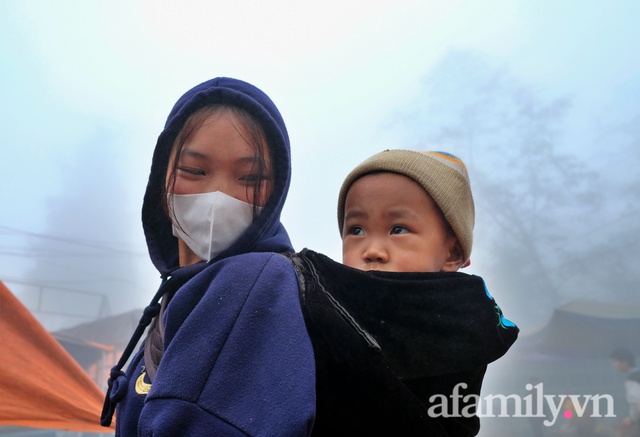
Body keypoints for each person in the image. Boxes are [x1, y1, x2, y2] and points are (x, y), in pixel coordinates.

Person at [100, 77, 316, 436]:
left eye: (250, 177)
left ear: (276, 192)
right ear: (162, 178)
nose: (218, 195)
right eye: (194, 171)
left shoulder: (254, 283)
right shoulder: (176, 298)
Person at [288, 149, 519, 435]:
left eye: (398, 229)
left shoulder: (462, 319)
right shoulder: (326, 299)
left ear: (453, 252)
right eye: (356, 230)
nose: (372, 250)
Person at [611, 347, 640, 437]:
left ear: (625, 362)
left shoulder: (632, 379)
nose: (614, 365)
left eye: (616, 361)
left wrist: (631, 419)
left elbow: (636, 402)